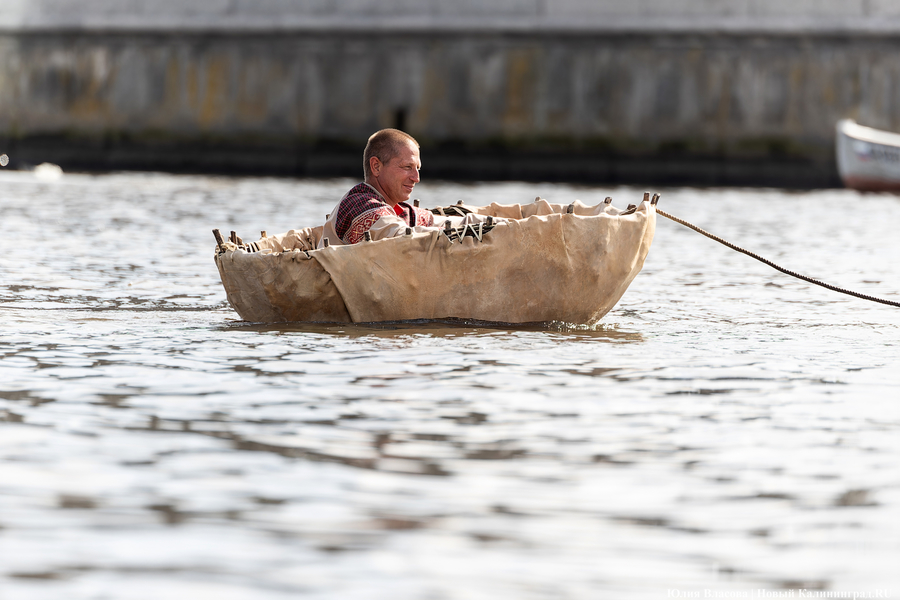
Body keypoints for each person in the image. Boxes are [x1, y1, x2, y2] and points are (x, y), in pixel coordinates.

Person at [320, 129, 435, 246]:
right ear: (376, 167)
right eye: (407, 167)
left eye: (418, 168)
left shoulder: (394, 208)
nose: (416, 178)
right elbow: (402, 236)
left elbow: (426, 220)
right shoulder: (361, 206)